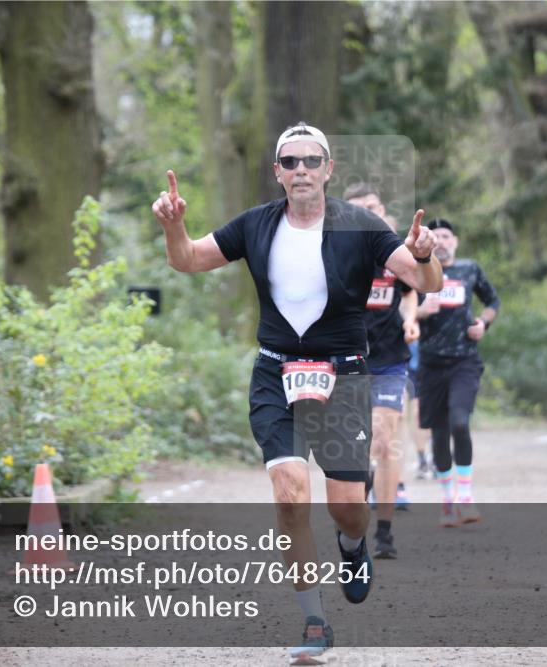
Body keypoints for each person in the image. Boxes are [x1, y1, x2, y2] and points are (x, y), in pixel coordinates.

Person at [151, 123, 443, 662]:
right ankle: (314, 620)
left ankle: (353, 546)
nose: (301, 170)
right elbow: (187, 259)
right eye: (291, 162)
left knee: (347, 508)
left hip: (346, 374)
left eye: (312, 160)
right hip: (275, 372)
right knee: (289, 495)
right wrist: (175, 225)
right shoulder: (256, 225)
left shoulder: (362, 226)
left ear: (330, 169)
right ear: (278, 172)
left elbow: (428, 284)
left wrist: (424, 255)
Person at [344, 183, 418, 560]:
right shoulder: (338, 254)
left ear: (383, 209)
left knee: (384, 437)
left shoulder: (395, 252)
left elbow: (409, 292)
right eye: (358, 210)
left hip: (389, 358)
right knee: (359, 445)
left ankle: (384, 533)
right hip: (347, 360)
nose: (366, 215)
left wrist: (410, 320)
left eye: (371, 207)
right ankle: (360, 497)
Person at [415, 218, 499, 528]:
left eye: (446, 236)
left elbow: (492, 301)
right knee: (438, 432)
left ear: (455, 241)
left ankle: (465, 496)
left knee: (460, 423)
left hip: (464, 360)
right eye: (435, 236)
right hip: (430, 363)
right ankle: (447, 500)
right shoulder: (417, 271)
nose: (441, 240)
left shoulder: (469, 269)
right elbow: (403, 307)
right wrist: (420, 312)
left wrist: (483, 324)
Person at [405, 339, 433, 480]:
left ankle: (435, 455)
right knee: (417, 412)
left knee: (435, 412)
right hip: (411, 367)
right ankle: (422, 458)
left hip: (433, 364)